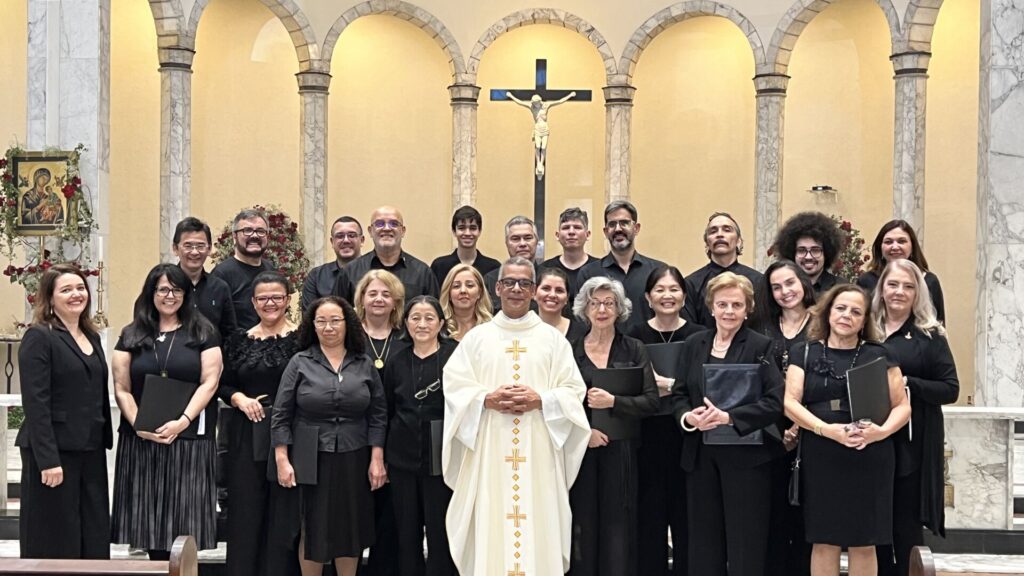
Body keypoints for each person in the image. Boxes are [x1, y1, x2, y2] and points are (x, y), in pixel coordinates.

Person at [443, 256, 590, 575]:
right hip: (490, 450)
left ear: (534, 290)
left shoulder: (553, 341)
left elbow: (573, 391)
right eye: (509, 282)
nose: (516, 289)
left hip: (538, 452)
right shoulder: (477, 339)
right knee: (493, 521)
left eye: (524, 283)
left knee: (538, 519)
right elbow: (454, 387)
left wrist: (542, 400)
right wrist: (486, 398)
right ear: (497, 288)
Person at [783, 285, 911, 576]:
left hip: (869, 452)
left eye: (856, 312)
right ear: (828, 312)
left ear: (864, 320)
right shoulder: (803, 351)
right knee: (823, 539)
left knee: (864, 541)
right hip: (821, 451)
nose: (847, 316)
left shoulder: (880, 354)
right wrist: (827, 430)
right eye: (841, 308)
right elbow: (790, 403)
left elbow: (902, 406)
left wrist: (880, 432)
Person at [671, 272, 784, 576]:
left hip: (746, 460)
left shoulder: (761, 345)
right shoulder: (695, 343)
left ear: (748, 309)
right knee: (703, 543)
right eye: (722, 304)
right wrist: (688, 418)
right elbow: (680, 393)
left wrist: (729, 417)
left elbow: (775, 402)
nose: (729, 311)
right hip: (700, 457)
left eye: (736, 305)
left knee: (745, 542)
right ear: (711, 307)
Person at [271, 296, 387, 576]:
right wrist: (282, 459)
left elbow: (378, 413)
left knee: (350, 526)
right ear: (312, 325)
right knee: (312, 527)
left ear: (348, 324)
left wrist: (377, 458)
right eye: (321, 321)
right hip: (309, 456)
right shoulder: (300, 362)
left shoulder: (363, 362)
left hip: (355, 453)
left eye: (335, 320)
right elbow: (281, 414)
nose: (328, 327)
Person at [111, 263, 222, 557]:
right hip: (142, 439)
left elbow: (210, 382)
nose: (169, 295)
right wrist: (140, 425)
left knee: (184, 522)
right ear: (151, 293)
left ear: (186, 294)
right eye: (163, 289)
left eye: (177, 289)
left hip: (188, 439)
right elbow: (121, 387)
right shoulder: (132, 334)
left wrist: (182, 421)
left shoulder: (203, 331)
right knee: (148, 522)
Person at [17, 264, 111, 559]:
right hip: (54, 453)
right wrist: (48, 460)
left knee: (93, 532)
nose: (76, 294)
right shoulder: (39, 337)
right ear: (50, 297)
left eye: (81, 288)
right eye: (66, 290)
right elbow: (36, 403)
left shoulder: (91, 336)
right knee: (55, 534)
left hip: (90, 449)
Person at [872, 260, 959, 576]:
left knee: (905, 525)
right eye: (893, 284)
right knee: (872, 524)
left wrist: (906, 382)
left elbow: (950, 389)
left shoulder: (930, 335)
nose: (899, 292)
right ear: (882, 288)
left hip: (912, 444)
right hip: (867, 441)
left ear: (918, 293)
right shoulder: (865, 328)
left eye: (908, 286)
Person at [568, 276, 659, 575]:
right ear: (584, 308)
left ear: (620, 309)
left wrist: (614, 402)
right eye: (595, 302)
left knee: (618, 529)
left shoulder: (633, 348)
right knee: (582, 525)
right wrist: (585, 433)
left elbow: (651, 402)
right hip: (580, 452)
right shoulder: (571, 350)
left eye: (609, 303)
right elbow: (560, 402)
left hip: (622, 453)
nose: (602, 309)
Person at [219, 272, 301, 576]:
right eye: (263, 298)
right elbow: (223, 384)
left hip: (290, 435)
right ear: (253, 303)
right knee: (246, 511)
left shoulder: (301, 339)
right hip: (245, 433)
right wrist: (239, 398)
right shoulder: (240, 339)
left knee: (283, 513)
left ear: (288, 300)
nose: (270, 303)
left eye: (277, 297)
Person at [628, 264, 706, 576]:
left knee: (688, 519)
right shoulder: (635, 336)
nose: (667, 295)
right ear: (648, 297)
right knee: (650, 520)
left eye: (674, 289)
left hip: (688, 438)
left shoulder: (699, 336)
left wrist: (669, 386)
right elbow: (631, 385)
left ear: (684, 295)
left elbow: (701, 386)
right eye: (659, 289)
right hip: (646, 437)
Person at [750, 260, 817, 576]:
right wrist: (782, 430)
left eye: (790, 283)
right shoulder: (762, 326)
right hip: (769, 434)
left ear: (803, 283)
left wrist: (798, 427)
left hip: (814, 432)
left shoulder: (822, 325)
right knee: (771, 519)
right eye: (776, 287)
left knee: (807, 520)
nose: (784, 291)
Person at [383, 296, 458, 576]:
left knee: (441, 532)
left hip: (444, 460)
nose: (422, 324)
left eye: (429, 318)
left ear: (441, 323)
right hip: (402, 459)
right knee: (407, 533)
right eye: (415, 318)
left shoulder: (456, 356)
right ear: (406, 323)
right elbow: (386, 410)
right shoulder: (396, 360)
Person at [353, 269, 408, 576]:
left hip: (395, 443)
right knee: (353, 520)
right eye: (372, 293)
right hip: (354, 440)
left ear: (395, 301)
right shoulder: (348, 339)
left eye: (386, 294)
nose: (379, 299)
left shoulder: (406, 338)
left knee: (389, 524)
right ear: (362, 299)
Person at [576, 201, 665, 334]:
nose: (618, 229)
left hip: (649, 351)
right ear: (606, 232)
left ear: (636, 228)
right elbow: (583, 321)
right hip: (605, 352)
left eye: (624, 223)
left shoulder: (658, 272)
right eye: (612, 224)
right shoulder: (588, 274)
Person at [332, 206, 439, 303]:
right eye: (379, 224)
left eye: (394, 224)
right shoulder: (350, 271)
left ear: (403, 231)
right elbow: (338, 313)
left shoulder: (423, 273)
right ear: (370, 231)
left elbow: (433, 314)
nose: (387, 228)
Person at [684, 212, 763, 329]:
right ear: (707, 242)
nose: (719, 234)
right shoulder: (690, 284)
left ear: (738, 241)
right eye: (713, 231)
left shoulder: (759, 281)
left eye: (727, 230)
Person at [857, 220, 945, 323]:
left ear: (912, 247)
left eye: (901, 241)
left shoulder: (929, 281)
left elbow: (939, 324)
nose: (895, 247)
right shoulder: (866, 280)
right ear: (880, 248)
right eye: (888, 242)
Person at [212, 208, 275, 333]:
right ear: (234, 236)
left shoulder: (271, 269)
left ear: (267, 237)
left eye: (260, 231)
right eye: (247, 231)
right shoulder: (222, 274)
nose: (255, 235)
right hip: (236, 348)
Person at [172, 217, 237, 338]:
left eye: (200, 246)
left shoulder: (220, 288)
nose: (195, 252)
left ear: (209, 249)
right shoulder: (163, 287)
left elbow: (229, 334)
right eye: (188, 246)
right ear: (175, 249)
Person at [506, 90, 577, 178]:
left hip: (545, 129)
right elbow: (520, 102)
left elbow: (559, 101)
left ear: (540, 101)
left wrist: (570, 95)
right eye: (534, 103)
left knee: (543, 147)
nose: (535, 104)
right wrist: (511, 96)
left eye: (536, 103)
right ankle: (538, 163)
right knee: (538, 146)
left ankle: (541, 163)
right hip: (537, 129)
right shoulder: (531, 107)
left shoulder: (546, 106)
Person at [772, 212, 846, 296]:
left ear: (826, 253)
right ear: (792, 253)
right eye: (801, 250)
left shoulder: (841, 289)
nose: (808, 257)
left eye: (815, 250)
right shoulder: (782, 290)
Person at [301, 216, 365, 311]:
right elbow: (309, 317)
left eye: (352, 235)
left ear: (362, 240)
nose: (346, 240)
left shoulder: (374, 271)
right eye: (340, 236)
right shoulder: (316, 276)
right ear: (332, 242)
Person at [541, 207, 597, 309]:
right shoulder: (544, 269)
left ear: (587, 234)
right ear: (557, 235)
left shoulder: (601, 269)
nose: (571, 232)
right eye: (566, 227)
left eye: (577, 227)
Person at [430, 205, 501, 284]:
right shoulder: (439, 266)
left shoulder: (494, 267)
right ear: (454, 231)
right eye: (461, 228)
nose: (467, 233)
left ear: (480, 231)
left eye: (473, 228)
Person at [483, 215, 540, 312]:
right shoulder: (491, 280)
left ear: (536, 241)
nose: (522, 244)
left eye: (528, 238)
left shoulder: (548, 279)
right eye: (515, 238)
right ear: (506, 243)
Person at [439, 263, 493, 342]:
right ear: (449, 294)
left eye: (470, 285)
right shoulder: (439, 329)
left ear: (480, 293)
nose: (463, 291)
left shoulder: (491, 329)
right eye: (456, 286)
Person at [534, 267, 583, 339]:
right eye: (546, 288)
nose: (552, 295)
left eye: (559, 290)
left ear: (567, 298)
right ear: (534, 292)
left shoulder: (582, 333)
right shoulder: (522, 329)